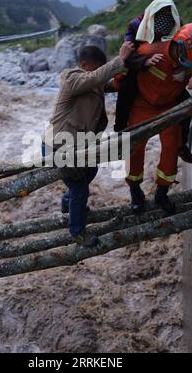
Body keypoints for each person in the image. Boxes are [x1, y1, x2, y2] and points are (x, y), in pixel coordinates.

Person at [43, 42, 135, 248]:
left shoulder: (91, 82)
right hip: (58, 146)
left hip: (78, 147)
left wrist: (127, 72)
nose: (100, 74)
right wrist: (119, 60)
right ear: (85, 64)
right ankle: (77, 231)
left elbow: (106, 83)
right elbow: (95, 78)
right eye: (97, 67)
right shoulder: (71, 78)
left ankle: (68, 202)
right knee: (80, 189)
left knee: (91, 170)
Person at [126, 23, 192, 215]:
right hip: (142, 104)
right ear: (176, 42)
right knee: (134, 148)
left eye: (189, 63)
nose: (182, 63)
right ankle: (135, 191)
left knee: (171, 147)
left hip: (169, 106)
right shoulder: (149, 51)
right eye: (181, 57)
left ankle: (162, 192)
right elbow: (125, 72)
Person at [116, 0, 192, 165]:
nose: (165, 20)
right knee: (126, 89)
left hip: (169, 72)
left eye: (168, 14)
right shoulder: (136, 25)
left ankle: (182, 145)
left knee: (188, 104)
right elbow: (127, 56)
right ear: (150, 16)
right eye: (160, 15)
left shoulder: (178, 23)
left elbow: (188, 50)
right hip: (141, 69)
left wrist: (186, 70)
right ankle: (120, 130)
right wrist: (144, 61)